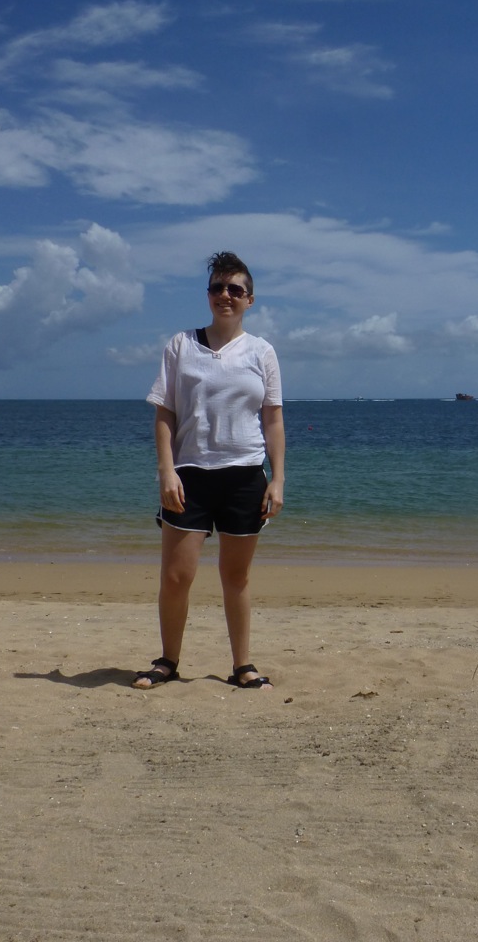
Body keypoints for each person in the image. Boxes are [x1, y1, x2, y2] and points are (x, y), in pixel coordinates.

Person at [133, 251, 285, 690]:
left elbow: (273, 420)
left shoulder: (262, 352)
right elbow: (165, 414)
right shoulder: (181, 345)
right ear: (208, 295)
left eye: (235, 289)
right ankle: (167, 661)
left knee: (236, 577)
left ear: (249, 299)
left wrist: (277, 479)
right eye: (218, 287)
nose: (225, 295)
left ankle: (243, 666)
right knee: (176, 577)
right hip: (190, 476)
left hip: (244, 476)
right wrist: (167, 471)